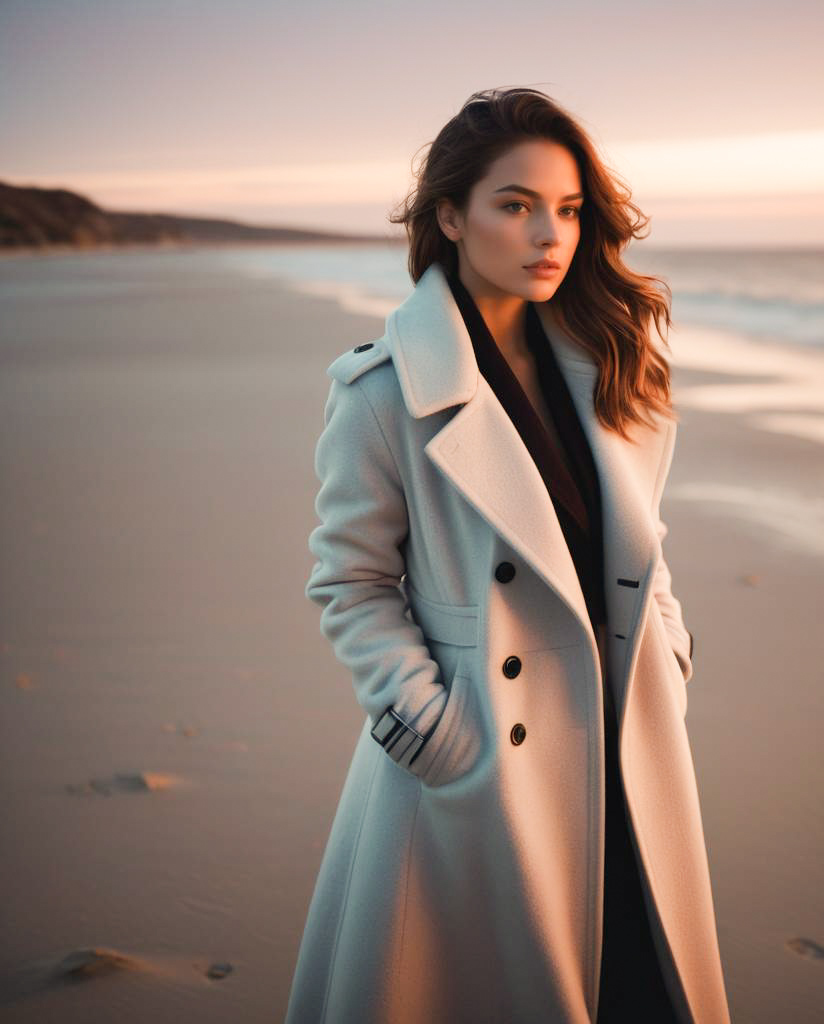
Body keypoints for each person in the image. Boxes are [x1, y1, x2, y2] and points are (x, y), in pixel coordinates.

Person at [284, 87, 731, 1024]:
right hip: (485, 769)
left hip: (623, 742)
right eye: (516, 205)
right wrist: (432, 727)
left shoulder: (608, 360)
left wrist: (669, 653)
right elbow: (351, 581)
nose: (549, 236)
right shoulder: (383, 393)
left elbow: (641, 548)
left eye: (568, 210)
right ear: (451, 215)